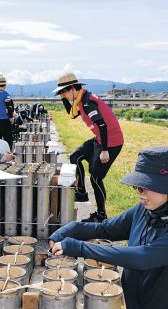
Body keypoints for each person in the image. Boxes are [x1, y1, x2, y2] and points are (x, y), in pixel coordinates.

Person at [49, 146, 168, 309]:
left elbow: (143, 257)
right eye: (136, 186)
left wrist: (78, 248)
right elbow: (104, 228)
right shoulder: (143, 211)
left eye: (145, 186)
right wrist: (71, 228)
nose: (139, 193)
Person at [53, 72, 124, 222]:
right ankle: (82, 192)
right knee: (75, 156)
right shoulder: (80, 99)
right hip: (100, 138)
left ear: (72, 88)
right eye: (60, 93)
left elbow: (102, 124)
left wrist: (104, 151)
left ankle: (101, 215)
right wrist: (63, 98)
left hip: (111, 141)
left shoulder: (87, 102)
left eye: (63, 92)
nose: (63, 95)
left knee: (96, 177)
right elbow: (72, 114)